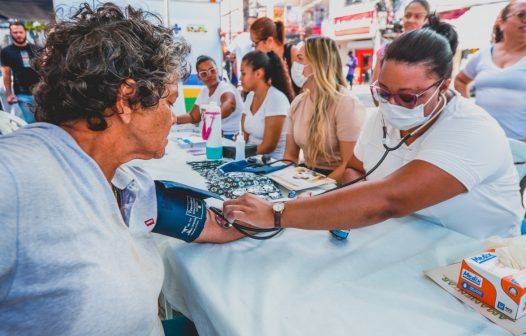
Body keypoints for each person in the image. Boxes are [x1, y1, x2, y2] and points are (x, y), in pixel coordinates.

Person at [0, 3, 244, 335]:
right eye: (169, 102)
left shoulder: (127, 184)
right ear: (127, 99)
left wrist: (277, 215)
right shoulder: (16, 177)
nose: (173, 117)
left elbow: (216, 225)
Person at [223, 20, 523, 241]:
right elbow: (355, 169)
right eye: (382, 91)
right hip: (405, 237)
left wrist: (278, 213)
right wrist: (329, 205)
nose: (390, 105)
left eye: (407, 97)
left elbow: (391, 199)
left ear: (443, 86)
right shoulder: (384, 116)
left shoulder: (472, 129)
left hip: (477, 256)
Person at [285, 37, 365, 184]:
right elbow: (290, 156)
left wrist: (315, 188)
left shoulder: (346, 104)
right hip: (305, 176)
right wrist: (283, 180)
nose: (295, 65)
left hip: (335, 182)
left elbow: (349, 165)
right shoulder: (298, 102)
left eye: (300, 59)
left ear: (318, 64)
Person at [454, 0, 526, 141]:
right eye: (521, 15)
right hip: (482, 137)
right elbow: (460, 81)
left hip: (520, 144)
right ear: (501, 22)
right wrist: (470, 113)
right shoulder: (484, 54)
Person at [240, 50, 294, 159]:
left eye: (243, 73)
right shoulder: (250, 96)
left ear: (259, 73)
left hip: (273, 163)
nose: (240, 78)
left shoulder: (275, 98)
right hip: (253, 159)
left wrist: (240, 152)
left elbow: (268, 146)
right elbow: (244, 136)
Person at [176, 55, 243, 139]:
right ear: (199, 77)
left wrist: (211, 118)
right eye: (204, 73)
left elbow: (230, 104)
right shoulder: (204, 91)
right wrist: (173, 118)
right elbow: (193, 117)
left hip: (228, 137)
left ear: (217, 70)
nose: (209, 75)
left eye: (212, 70)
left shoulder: (225, 87)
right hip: (210, 135)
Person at [371, 0, 430, 83]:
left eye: (417, 16)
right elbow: (375, 86)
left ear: (426, 20)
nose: (411, 20)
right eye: (407, 15)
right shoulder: (386, 49)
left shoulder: (432, 50)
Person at [1, 22, 41, 123]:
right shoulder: (6, 52)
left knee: (46, 120)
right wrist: (9, 94)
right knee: (31, 122)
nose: (18, 35)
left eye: (20, 32)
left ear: (25, 32)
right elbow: (6, 74)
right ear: (10, 33)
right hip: (22, 94)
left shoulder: (36, 49)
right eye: (15, 32)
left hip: (41, 92)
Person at [250, 17, 299, 96]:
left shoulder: (292, 52)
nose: (254, 49)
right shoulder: (264, 60)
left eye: (255, 43)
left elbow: (304, 87)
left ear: (269, 41)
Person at [228, 16, 257, 86]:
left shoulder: (239, 38)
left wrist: (222, 39)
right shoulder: (258, 39)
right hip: (256, 81)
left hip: (242, 80)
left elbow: (228, 53)